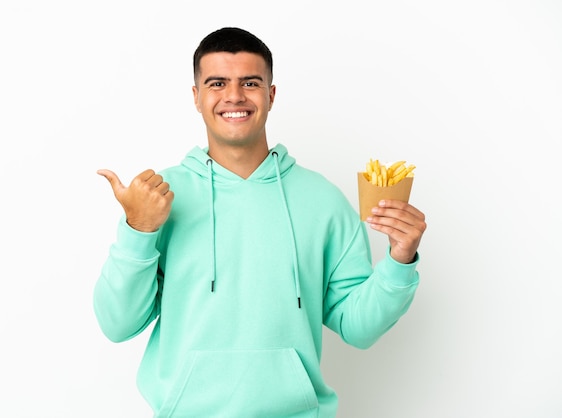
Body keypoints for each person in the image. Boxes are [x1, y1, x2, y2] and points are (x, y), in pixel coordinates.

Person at [93, 27, 427, 418]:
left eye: (249, 83)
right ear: (196, 97)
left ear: (270, 95)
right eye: (217, 83)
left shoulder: (322, 201)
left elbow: (358, 327)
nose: (234, 96)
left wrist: (400, 263)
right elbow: (118, 325)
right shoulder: (158, 198)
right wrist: (138, 230)